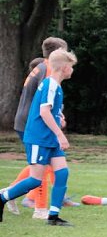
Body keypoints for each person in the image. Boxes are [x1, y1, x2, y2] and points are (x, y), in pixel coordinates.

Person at [0, 49, 77, 226]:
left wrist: (59, 120)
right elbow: (44, 112)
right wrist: (60, 134)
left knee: (62, 173)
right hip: (39, 138)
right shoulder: (50, 85)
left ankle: (53, 216)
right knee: (35, 180)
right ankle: (3, 197)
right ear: (65, 67)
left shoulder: (56, 85)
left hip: (49, 138)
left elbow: (50, 111)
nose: (72, 70)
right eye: (71, 67)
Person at [11, 38, 68, 219]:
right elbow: (45, 105)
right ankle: (39, 208)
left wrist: (59, 115)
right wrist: (58, 124)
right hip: (33, 123)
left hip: (29, 120)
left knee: (44, 165)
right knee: (40, 168)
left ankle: (12, 194)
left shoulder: (41, 67)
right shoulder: (48, 70)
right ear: (57, 53)